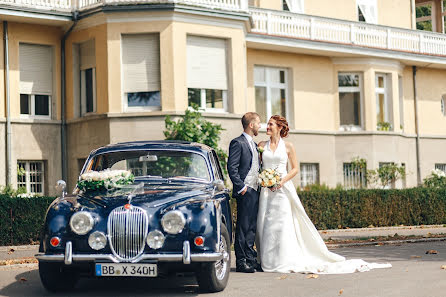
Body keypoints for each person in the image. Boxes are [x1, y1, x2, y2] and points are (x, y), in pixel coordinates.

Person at [256, 115, 391, 274]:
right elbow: (258, 167)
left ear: (279, 127)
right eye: (267, 124)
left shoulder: (288, 147)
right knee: (266, 224)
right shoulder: (261, 145)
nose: (267, 127)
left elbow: (295, 169)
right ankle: (266, 259)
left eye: (270, 124)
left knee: (282, 223)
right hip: (266, 192)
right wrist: (264, 179)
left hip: (282, 190)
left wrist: (281, 181)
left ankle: (284, 259)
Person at [227, 112, 263, 273]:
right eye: (258, 123)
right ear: (251, 125)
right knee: (243, 226)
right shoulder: (238, 142)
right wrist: (241, 188)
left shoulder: (254, 145)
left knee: (251, 227)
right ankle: (241, 262)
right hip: (245, 190)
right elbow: (232, 168)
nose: (260, 126)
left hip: (256, 189)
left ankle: (250, 258)